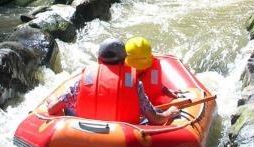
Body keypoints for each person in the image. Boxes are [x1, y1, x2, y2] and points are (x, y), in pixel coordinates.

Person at [47, 38, 179, 125]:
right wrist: (169, 113)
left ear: (99, 60)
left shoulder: (84, 80)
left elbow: (53, 109)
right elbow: (155, 119)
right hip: (123, 135)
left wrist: (51, 99)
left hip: (84, 134)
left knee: (61, 104)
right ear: (124, 61)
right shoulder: (134, 84)